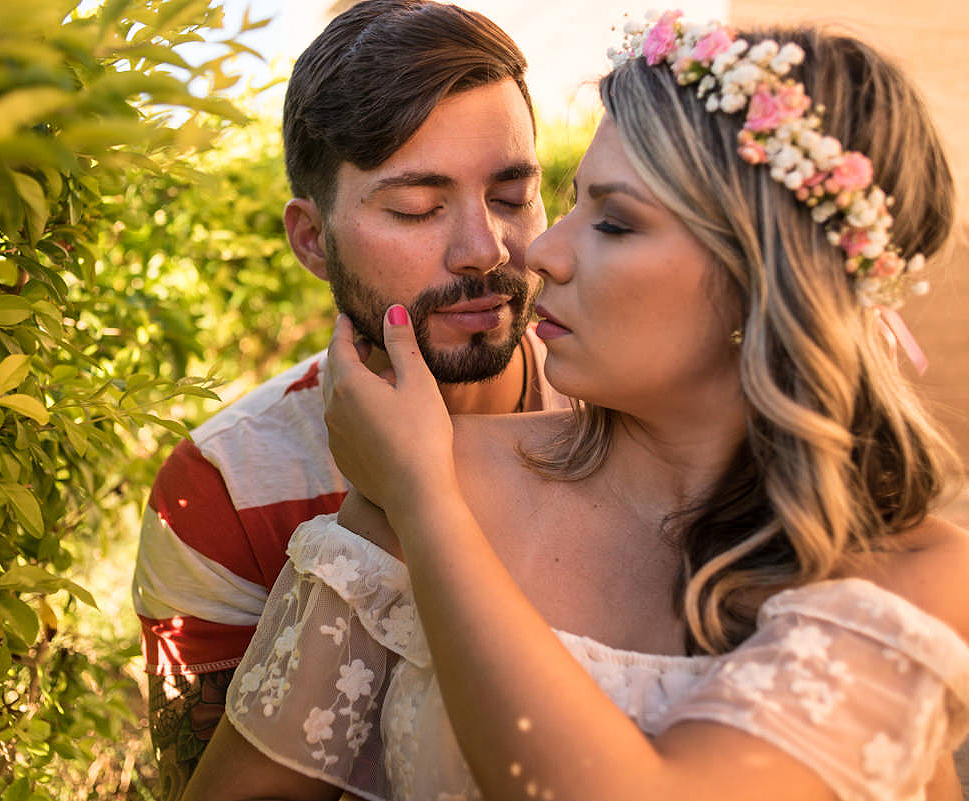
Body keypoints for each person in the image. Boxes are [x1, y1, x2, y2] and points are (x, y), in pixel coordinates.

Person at [183, 13, 969, 801]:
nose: (538, 252)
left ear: (768, 279)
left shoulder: (912, 578)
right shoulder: (437, 471)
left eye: (614, 222)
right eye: (418, 206)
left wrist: (426, 504)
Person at [131, 1, 569, 795]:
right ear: (311, 239)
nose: (484, 249)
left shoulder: (630, 418)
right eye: (417, 208)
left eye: (511, 196)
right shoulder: (226, 492)